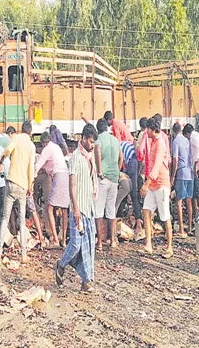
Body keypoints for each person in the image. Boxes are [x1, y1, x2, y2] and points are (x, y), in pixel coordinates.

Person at [54, 123, 98, 293]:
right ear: (84, 139)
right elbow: (72, 184)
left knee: (88, 246)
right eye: (91, 141)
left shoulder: (90, 157)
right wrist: (76, 209)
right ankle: (61, 264)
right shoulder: (76, 158)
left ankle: (86, 281)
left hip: (89, 208)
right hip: (78, 209)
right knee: (76, 245)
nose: (93, 145)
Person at [0, 121, 36, 264]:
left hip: (11, 182)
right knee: (22, 221)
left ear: (21, 130)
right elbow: (31, 168)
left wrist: (0, 161)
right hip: (23, 185)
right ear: (30, 133)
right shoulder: (31, 146)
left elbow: (6, 152)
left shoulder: (16, 139)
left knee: (5, 218)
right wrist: (30, 185)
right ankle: (24, 255)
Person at [140, 117, 173, 258]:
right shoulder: (152, 141)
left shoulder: (160, 144)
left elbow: (157, 166)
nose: (146, 131)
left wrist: (146, 184)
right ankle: (148, 244)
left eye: (147, 129)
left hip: (161, 184)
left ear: (153, 129)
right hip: (153, 184)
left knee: (165, 216)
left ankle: (169, 247)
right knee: (146, 211)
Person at [35, 131, 70, 248]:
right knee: (64, 209)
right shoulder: (56, 147)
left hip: (58, 176)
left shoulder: (47, 149)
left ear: (43, 143)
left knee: (49, 208)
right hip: (65, 175)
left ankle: (55, 239)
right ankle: (63, 240)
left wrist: (32, 177)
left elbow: (38, 165)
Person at [94, 119, 123, 250]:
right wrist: (117, 169)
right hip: (114, 178)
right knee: (111, 210)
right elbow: (121, 157)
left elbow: (98, 154)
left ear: (98, 130)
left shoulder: (98, 140)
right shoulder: (115, 140)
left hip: (103, 179)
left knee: (99, 210)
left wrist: (100, 171)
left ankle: (99, 242)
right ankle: (113, 241)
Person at [171, 122, 193, 237]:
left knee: (179, 201)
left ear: (173, 131)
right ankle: (189, 227)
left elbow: (175, 160)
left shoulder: (175, 142)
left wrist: (172, 176)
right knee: (189, 201)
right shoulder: (186, 140)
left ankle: (181, 230)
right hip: (190, 172)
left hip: (181, 173)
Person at [184, 124, 199, 217]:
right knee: (195, 192)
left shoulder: (193, 137)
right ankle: (197, 214)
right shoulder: (196, 135)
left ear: (187, 133)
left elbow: (197, 153)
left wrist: (194, 168)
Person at [120, 138, 142, 234]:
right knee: (133, 191)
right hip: (134, 161)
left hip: (131, 162)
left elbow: (120, 161)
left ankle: (138, 222)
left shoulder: (117, 147)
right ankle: (138, 220)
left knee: (132, 193)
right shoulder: (122, 143)